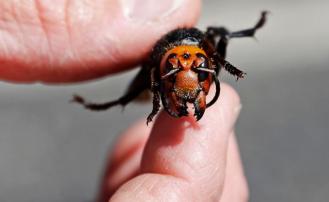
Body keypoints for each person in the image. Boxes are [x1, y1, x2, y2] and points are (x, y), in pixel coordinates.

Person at [0, 0, 248, 201]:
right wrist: (155, 105)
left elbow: (218, 36)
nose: (187, 75)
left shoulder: (204, 53)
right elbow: (154, 74)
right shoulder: (160, 67)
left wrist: (222, 61)